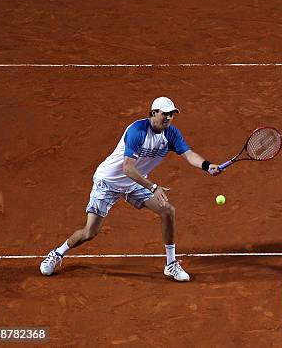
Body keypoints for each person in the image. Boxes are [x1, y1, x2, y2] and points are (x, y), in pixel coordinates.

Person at [40, 96, 221, 281]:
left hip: (134, 183)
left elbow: (189, 155)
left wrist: (207, 165)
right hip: (108, 181)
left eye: (171, 114)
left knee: (167, 211)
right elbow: (127, 168)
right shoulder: (137, 131)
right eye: (164, 114)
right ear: (153, 113)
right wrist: (153, 187)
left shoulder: (171, 134)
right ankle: (57, 253)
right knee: (89, 232)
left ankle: (171, 264)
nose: (168, 118)